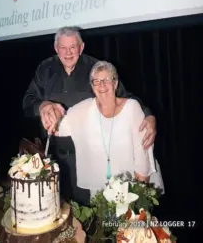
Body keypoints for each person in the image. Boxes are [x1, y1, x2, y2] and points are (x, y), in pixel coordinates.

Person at [23, 26, 157, 199]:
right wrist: (42, 106)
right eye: (63, 47)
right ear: (56, 49)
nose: (68, 52)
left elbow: (125, 98)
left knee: (89, 212)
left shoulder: (96, 69)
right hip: (53, 156)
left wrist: (149, 116)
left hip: (88, 159)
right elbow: (27, 102)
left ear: (81, 47)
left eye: (73, 47)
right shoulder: (45, 68)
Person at [56, 61, 163, 204]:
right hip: (101, 192)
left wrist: (138, 196)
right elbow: (58, 127)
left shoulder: (132, 108)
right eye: (97, 81)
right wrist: (46, 107)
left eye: (107, 80)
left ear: (116, 83)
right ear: (92, 86)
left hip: (132, 189)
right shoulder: (84, 110)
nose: (102, 85)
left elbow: (142, 153)